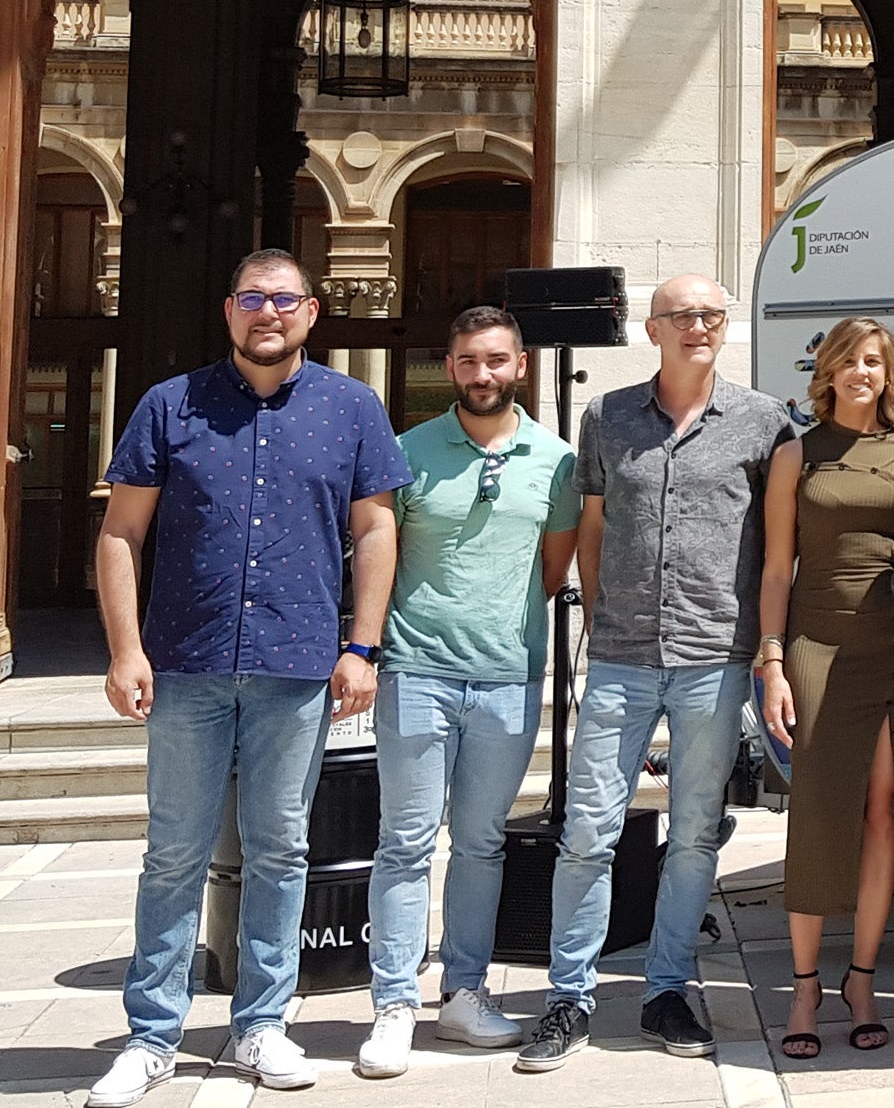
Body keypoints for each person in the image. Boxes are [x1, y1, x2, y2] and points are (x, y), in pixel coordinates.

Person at [86, 249, 409, 1107]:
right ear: (230, 311)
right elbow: (121, 535)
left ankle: (261, 1023)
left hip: (297, 665)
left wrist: (362, 647)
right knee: (173, 854)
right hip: (186, 664)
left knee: (281, 848)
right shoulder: (170, 405)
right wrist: (125, 650)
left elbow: (375, 533)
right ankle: (152, 1036)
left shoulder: (352, 409)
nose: (268, 313)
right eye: (251, 299)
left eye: (285, 300)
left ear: (312, 312)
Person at [519, 275, 803, 1073]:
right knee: (586, 833)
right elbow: (595, 522)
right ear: (654, 330)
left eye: (712, 315)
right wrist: (608, 609)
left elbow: (778, 548)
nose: (699, 327)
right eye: (683, 316)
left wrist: (767, 649)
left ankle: (666, 988)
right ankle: (569, 996)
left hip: (717, 657)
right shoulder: (606, 416)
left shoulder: (763, 421)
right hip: (620, 656)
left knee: (693, 839)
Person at [358, 306, 581, 1079]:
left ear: (520, 365)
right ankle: (392, 1004)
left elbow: (551, 573)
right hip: (416, 672)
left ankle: (463, 994)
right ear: (447, 368)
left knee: (483, 844)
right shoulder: (405, 452)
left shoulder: (556, 461)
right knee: (406, 842)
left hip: (508, 680)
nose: (481, 374)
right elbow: (376, 552)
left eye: (495, 360)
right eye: (466, 361)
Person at [756, 316, 894, 1061]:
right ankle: (804, 986)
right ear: (827, 371)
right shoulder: (797, 454)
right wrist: (770, 661)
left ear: (891, 375)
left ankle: (862, 979)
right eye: (850, 360)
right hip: (818, 643)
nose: (864, 371)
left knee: (886, 811)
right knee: (818, 811)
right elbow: (774, 569)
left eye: (876, 361)